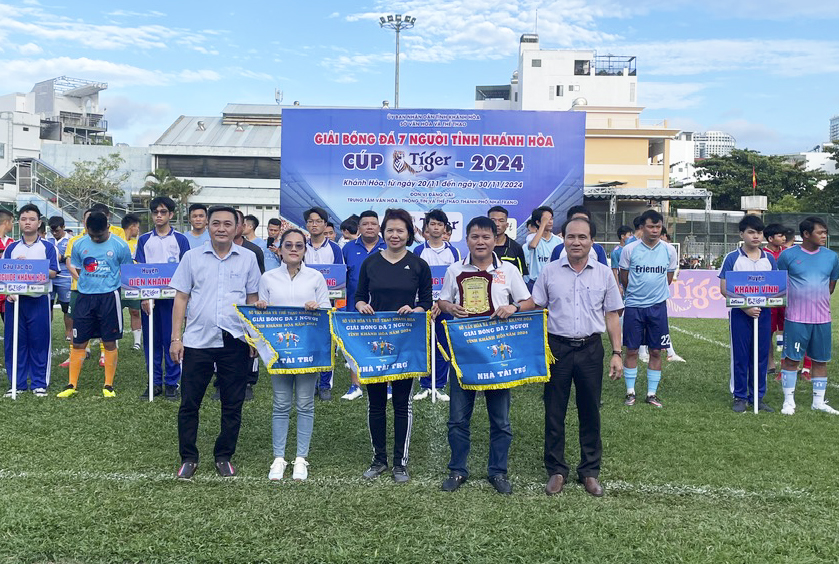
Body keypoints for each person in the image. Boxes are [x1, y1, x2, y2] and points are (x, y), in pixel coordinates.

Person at [436, 216, 533, 495]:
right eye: (475, 237)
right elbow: (442, 299)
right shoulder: (455, 270)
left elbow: (528, 301)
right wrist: (449, 307)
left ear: (495, 239)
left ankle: (498, 472)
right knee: (457, 417)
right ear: (467, 240)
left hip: (497, 354)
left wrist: (513, 308)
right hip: (464, 352)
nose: (481, 242)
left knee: (500, 419)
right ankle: (457, 470)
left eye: (486, 237)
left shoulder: (509, 270)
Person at [533, 217, 623, 497]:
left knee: (590, 411)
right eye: (571, 237)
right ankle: (556, 470)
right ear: (563, 239)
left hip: (590, 349)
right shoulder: (549, 271)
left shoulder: (604, 274)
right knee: (554, 411)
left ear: (592, 241)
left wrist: (617, 353)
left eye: (582, 237)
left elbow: (612, 315)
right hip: (556, 349)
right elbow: (535, 305)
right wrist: (510, 308)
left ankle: (590, 471)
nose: (576, 242)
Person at [170, 206, 261, 479]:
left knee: (232, 403)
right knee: (189, 403)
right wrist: (176, 338)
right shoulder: (191, 257)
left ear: (238, 228)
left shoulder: (248, 258)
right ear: (207, 226)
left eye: (227, 224)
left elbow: (253, 299)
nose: (221, 228)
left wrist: (253, 337)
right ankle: (188, 456)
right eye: (216, 223)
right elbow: (181, 298)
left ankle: (224, 455)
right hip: (198, 340)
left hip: (234, 341)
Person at [355, 208, 433, 483]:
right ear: (382, 233)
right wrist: (362, 304)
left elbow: (427, 302)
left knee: (402, 403)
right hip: (375, 343)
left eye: (400, 230)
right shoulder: (370, 263)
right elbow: (359, 296)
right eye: (390, 230)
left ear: (409, 233)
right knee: (375, 403)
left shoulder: (419, 265)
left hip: (406, 343)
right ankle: (379, 459)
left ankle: (400, 462)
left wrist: (416, 309)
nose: (395, 235)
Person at [255, 228, 331, 482]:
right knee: (280, 404)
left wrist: (317, 307)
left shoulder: (315, 277)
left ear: (305, 250)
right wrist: (261, 308)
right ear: (280, 249)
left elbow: (327, 312)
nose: (294, 249)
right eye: (289, 245)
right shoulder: (268, 278)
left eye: (299, 245)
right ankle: (279, 458)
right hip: (279, 351)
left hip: (307, 350)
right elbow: (261, 317)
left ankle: (300, 458)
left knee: (306, 403)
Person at [56, 211, 133, 398]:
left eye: (99, 235)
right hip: (84, 297)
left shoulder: (120, 245)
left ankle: (108, 385)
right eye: (92, 235)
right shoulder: (79, 244)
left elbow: (127, 271)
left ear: (108, 227)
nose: (96, 238)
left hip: (109, 298)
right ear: (86, 229)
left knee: (109, 341)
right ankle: (71, 384)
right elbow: (78, 267)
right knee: (79, 341)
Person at [777, 217, 839, 416]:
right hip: (796, 318)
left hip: (822, 319)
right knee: (791, 360)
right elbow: (778, 284)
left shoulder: (831, 257)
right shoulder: (787, 256)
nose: (824, 236)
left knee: (821, 360)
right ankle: (788, 402)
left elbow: (831, 286)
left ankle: (818, 402)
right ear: (805, 234)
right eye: (820, 232)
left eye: (825, 232)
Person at [618, 209, 677, 408]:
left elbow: (668, 277)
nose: (654, 230)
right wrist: (635, 293)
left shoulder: (669, 250)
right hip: (634, 306)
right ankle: (630, 392)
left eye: (658, 227)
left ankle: (651, 394)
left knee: (656, 351)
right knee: (632, 349)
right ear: (642, 228)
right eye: (650, 226)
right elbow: (624, 277)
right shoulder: (630, 249)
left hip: (658, 307)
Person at [718, 215, 777, 413]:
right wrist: (746, 307)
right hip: (740, 314)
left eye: (759, 232)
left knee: (761, 355)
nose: (756, 236)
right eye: (751, 232)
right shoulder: (732, 258)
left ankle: (758, 397)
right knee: (741, 355)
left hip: (764, 314)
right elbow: (725, 288)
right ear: (742, 234)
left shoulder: (769, 258)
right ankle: (740, 396)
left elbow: (776, 287)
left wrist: (762, 305)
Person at [135, 197, 191, 400]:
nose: (159, 215)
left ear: (171, 214)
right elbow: (139, 270)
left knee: (172, 339)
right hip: (150, 299)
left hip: (173, 298)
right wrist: (143, 297)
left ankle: (171, 383)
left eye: (163, 212)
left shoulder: (181, 240)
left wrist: (185, 299)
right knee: (152, 341)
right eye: (155, 212)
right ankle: (154, 382)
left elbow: (186, 269)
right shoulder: (144, 240)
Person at [3, 205, 58, 397]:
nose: (27, 222)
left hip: (39, 300)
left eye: (32, 219)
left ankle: (39, 383)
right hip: (15, 301)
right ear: (19, 221)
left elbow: (53, 272)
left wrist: (32, 268)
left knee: (39, 341)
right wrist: (10, 289)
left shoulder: (48, 247)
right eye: (24, 218)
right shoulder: (11, 247)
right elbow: (6, 273)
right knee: (15, 342)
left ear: (39, 223)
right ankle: (16, 384)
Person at [413, 209, 460, 401]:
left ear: (445, 228)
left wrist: (441, 303)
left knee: (443, 345)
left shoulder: (453, 251)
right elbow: (415, 279)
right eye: (432, 224)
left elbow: (456, 279)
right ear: (426, 227)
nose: (436, 227)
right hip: (423, 305)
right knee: (424, 345)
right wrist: (428, 304)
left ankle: (439, 385)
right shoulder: (418, 251)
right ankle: (424, 385)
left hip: (446, 305)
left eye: (440, 224)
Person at [340, 210, 386, 401]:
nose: (369, 227)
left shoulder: (388, 246)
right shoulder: (348, 248)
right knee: (354, 345)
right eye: (365, 224)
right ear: (358, 228)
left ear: (379, 227)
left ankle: (387, 384)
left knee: (384, 344)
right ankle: (355, 385)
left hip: (383, 305)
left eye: (373, 224)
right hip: (353, 304)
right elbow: (342, 278)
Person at [303, 206, 344, 400]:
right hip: (303, 303)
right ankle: (309, 383)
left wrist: (335, 302)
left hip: (327, 303)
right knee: (307, 342)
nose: (314, 224)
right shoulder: (301, 245)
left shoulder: (335, 248)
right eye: (310, 221)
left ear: (325, 224)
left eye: (318, 221)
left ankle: (325, 384)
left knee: (327, 344)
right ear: (306, 225)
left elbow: (339, 277)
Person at [762, 223, 786, 377]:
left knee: (787, 331)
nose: (783, 238)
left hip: (785, 298)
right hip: (769, 299)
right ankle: (770, 362)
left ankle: (786, 364)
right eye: (780, 235)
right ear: (770, 238)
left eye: (784, 235)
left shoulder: (787, 253)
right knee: (768, 332)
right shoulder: (762, 254)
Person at [47, 216, 72, 341]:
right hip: (49, 278)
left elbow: (71, 258)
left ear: (63, 227)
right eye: (53, 231)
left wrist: (61, 257)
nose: (55, 233)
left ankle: (68, 332)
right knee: (48, 305)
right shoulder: (47, 240)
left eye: (57, 230)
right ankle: (47, 331)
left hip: (65, 277)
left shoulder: (71, 240)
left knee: (66, 307)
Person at [121, 213, 143, 350]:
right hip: (117, 283)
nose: (138, 231)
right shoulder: (117, 241)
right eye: (137, 227)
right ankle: (113, 341)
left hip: (134, 283)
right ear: (132, 226)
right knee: (115, 311)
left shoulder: (138, 243)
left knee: (135, 311)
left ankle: (137, 342)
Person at [525, 206, 562, 288]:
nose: (550, 222)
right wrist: (543, 225)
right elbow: (533, 245)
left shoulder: (559, 241)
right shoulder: (532, 237)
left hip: (553, 283)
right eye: (546, 219)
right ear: (538, 222)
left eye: (551, 219)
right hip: (535, 283)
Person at [488, 205, 528, 276]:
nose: (497, 224)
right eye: (493, 220)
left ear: (507, 225)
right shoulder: (481, 246)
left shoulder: (516, 248)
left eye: (501, 221)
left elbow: (520, 276)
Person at [0, 209, 16, 317]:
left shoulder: (12, 242)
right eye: (12, 222)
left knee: (9, 320)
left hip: (7, 287)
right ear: (6, 222)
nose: (13, 225)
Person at [611, 225, 633, 292]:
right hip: (622, 284)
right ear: (622, 236)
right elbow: (615, 270)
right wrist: (618, 287)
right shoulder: (616, 252)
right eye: (629, 235)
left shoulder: (633, 249)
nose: (631, 237)